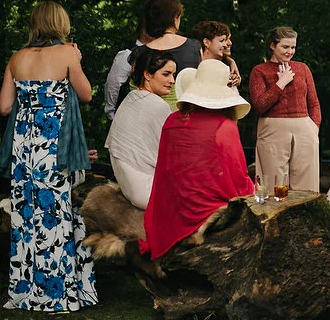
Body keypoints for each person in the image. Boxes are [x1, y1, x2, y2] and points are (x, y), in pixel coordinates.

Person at [0, 0, 97, 312]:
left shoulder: (17, 57)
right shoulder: (67, 53)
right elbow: (86, 94)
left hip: (24, 147)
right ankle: (58, 292)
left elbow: (4, 107)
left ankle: (25, 289)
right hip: (53, 144)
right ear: (60, 24)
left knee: (26, 214)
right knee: (55, 213)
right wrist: (76, 60)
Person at [141, 60, 255, 260]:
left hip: (173, 209)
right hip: (205, 211)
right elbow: (238, 179)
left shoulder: (172, 121)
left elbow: (164, 173)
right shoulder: (225, 127)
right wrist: (256, 191)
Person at [249, 26, 322, 193]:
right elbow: (260, 105)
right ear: (272, 45)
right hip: (272, 128)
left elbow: (314, 103)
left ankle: (304, 210)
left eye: (293, 47)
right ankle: (277, 210)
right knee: (275, 182)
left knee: (306, 182)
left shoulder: (302, 68)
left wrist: (314, 128)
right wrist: (280, 83)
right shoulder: (259, 71)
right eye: (285, 46)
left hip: (304, 128)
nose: (290, 51)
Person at [104, 52, 176, 209]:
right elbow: (173, 154)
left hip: (128, 188)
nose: (172, 80)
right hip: (148, 191)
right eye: (166, 74)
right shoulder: (158, 106)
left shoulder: (130, 98)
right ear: (147, 74)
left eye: (173, 75)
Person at [124, 0, 202, 109]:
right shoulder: (194, 46)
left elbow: (135, 91)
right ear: (175, 18)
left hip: (150, 115)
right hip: (187, 115)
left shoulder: (139, 52)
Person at [103, 18, 152, 117]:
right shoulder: (127, 55)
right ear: (145, 31)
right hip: (127, 115)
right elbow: (113, 85)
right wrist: (112, 114)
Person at [194, 19, 242, 88]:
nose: (229, 43)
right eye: (222, 40)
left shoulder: (228, 68)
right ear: (207, 42)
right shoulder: (193, 64)